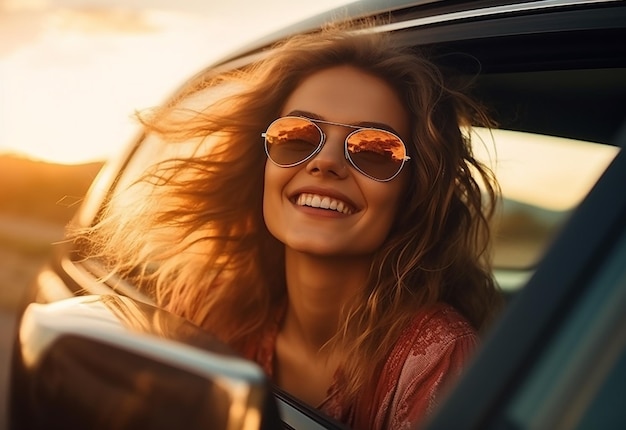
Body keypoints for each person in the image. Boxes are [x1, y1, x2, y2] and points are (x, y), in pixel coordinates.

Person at [77, 21, 502, 430]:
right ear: (262, 162)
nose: (326, 162)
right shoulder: (207, 308)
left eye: (375, 151)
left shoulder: (436, 358)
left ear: (414, 191)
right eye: (297, 136)